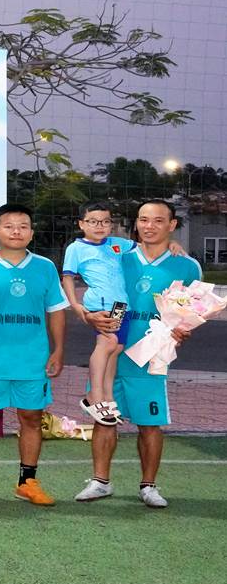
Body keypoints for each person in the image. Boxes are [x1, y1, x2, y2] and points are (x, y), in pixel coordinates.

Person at [76, 200, 201, 508]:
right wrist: (89, 316)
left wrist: (183, 330)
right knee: (104, 418)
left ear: (172, 225)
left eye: (158, 220)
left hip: (152, 356)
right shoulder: (117, 256)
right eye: (143, 220)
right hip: (113, 351)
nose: (149, 226)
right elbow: (96, 289)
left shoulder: (187, 266)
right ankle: (100, 481)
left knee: (150, 423)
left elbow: (191, 311)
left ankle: (148, 486)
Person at [0, 203, 67, 507]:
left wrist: (58, 350)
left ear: (32, 233)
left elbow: (55, 311)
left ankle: (27, 482)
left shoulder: (45, 267)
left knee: (31, 418)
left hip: (32, 359)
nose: (16, 231)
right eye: (9, 226)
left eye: (23, 226)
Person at [61, 203, 181, 427]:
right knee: (106, 343)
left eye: (105, 222)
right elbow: (67, 277)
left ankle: (107, 397)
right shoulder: (76, 248)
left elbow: (146, 244)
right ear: (81, 224)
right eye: (93, 221)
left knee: (115, 349)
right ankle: (93, 396)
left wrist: (172, 243)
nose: (99, 226)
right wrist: (76, 305)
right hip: (101, 304)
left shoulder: (117, 244)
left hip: (121, 304)